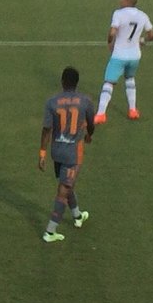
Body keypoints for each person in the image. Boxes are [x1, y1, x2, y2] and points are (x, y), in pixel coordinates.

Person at [38, 66, 95, 242]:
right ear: (76, 83)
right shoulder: (85, 101)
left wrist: (42, 153)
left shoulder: (52, 102)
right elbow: (91, 123)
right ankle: (50, 231)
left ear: (62, 82)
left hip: (57, 151)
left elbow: (46, 130)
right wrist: (89, 135)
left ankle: (78, 216)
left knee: (67, 183)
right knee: (64, 189)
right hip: (72, 153)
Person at [95, 0, 153, 123]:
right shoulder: (143, 15)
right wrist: (142, 41)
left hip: (119, 55)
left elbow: (112, 32)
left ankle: (100, 114)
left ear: (127, 1)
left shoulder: (118, 14)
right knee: (129, 79)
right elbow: (151, 35)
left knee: (109, 82)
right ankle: (132, 110)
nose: (120, 0)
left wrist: (110, 42)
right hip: (134, 56)